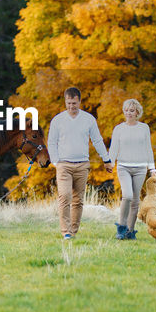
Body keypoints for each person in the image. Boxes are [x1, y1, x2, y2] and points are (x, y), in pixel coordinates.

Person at [46, 87, 110, 239]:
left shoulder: (88, 119)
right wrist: (56, 162)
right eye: (68, 103)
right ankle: (66, 231)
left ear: (79, 102)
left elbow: (97, 140)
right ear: (65, 102)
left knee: (78, 200)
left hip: (82, 165)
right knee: (64, 196)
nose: (71, 106)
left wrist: (106, 159)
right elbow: (51, 142)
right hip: (64, 165)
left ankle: (73, 231)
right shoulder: (58, 120)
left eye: (74, 103)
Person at [109, 98, 156, 240]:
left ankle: (130, 231)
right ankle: (121, 228)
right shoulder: (119, 129)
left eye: (131, 110)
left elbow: (148, 148)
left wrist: (152, 168)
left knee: (135, 200)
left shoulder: (144, 128)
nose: (128, 113)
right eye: (126, 110)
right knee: (127, 196)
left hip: (140, 168)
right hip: (124, 167)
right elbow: (114, 148)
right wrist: (110, 163)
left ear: (137, 112)